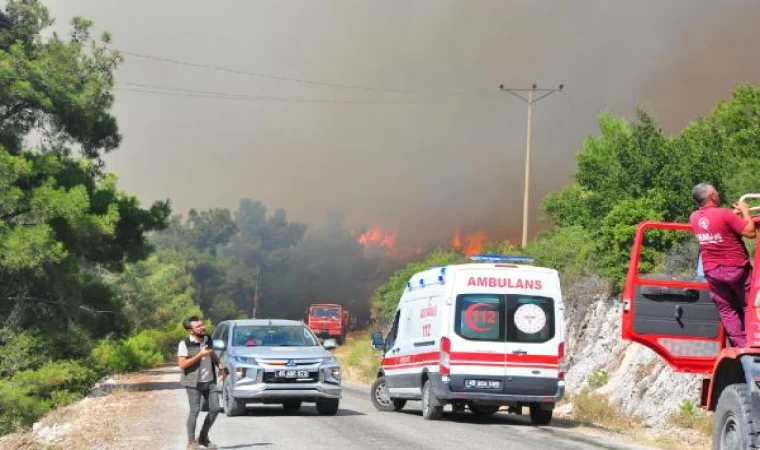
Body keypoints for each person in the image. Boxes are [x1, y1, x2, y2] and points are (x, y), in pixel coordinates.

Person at [689, 183, 756, 348]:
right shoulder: (724, 214)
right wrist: (745, 211)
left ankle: (740, 346)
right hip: (735, 268)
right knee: (749, 304)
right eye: (716, 192)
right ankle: (752, 342)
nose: (718, 194)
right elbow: (750, 232)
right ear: (712, 196)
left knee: (726, 310)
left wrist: (733, 215)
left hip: (713, 272)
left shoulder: (694, 217)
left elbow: (715, 225)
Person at [177, 316, 226, 450]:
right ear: (190, 331)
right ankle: (191, 442)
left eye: (202, 324)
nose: (202, 327)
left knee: (215, 409)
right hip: (193, 382)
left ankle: (203, 437)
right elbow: (182, 365)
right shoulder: (185, 343)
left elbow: (212, 353)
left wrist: (221, 367)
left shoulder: (207, 338)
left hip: (209, 381)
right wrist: (200, 354)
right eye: (198, 326)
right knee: (195, 411)